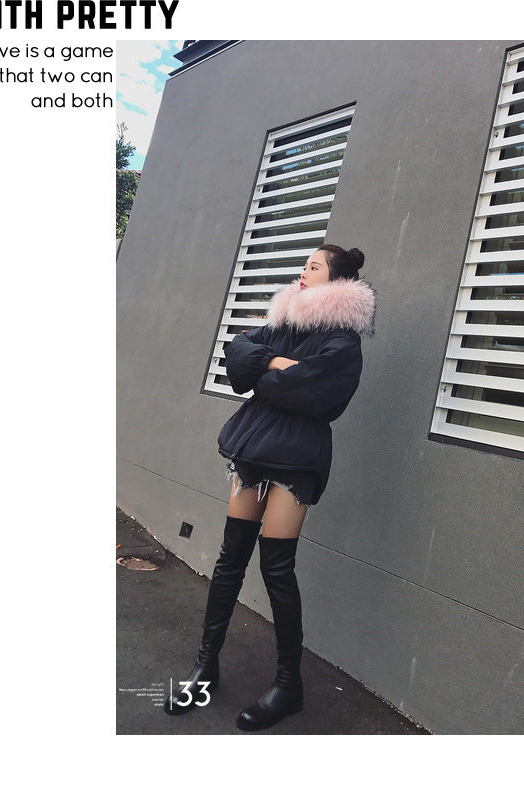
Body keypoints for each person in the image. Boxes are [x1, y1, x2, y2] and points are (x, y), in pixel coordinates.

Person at [164, 244, 376, 731]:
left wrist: (270, 371)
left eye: (314, 267)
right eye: (304, 265)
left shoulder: (343, 341)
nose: (303, 273)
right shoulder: (283, 323)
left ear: (337, 280)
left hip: (297, 458)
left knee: (276, 568)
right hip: (255, 448)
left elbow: (316, 394)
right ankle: (205, 665)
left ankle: (288, 685)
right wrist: (277, 364)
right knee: (230, 559)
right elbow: (238, 353)